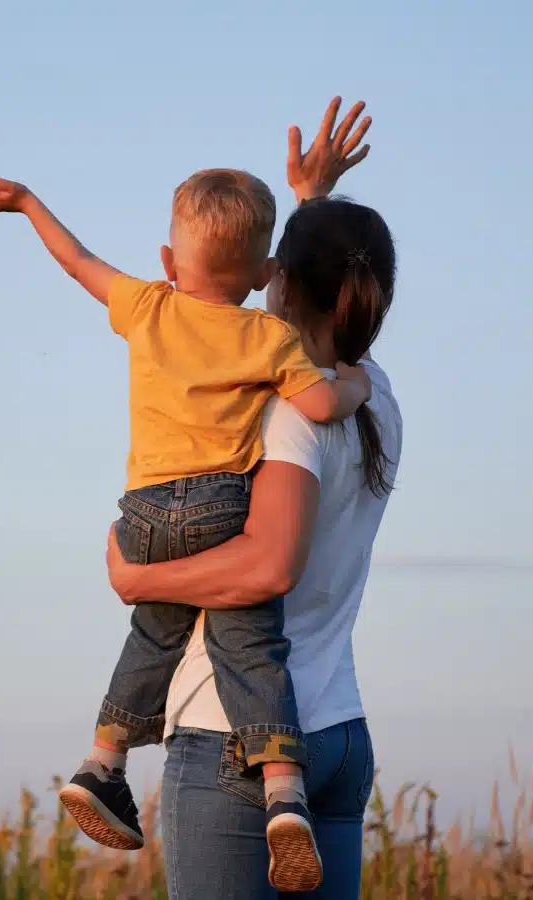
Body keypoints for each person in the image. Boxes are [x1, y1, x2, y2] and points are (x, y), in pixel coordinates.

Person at [0, 97, 375, 892]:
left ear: (166, 259)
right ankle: (282, 788)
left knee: (151, 634)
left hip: (147, 514)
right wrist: (350, 382)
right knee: (250, 644)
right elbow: (321, 394)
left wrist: (25, 204)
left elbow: (79, 260)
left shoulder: (147, 306)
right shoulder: (276, 343)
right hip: (225, 514)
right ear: (263, 276)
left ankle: (103, 758)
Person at [105, 119, 401, 897]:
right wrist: (312, 198)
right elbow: (323, 294)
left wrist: (141, 583)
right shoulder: (373, 393)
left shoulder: (283, 413)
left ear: (282, 282)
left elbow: (268, 564)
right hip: (339, 733)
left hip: (238, 740)